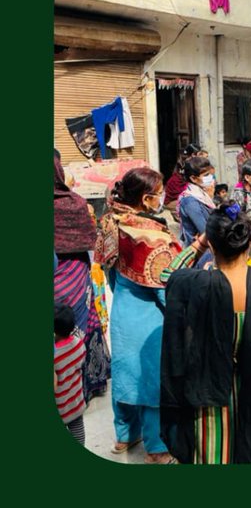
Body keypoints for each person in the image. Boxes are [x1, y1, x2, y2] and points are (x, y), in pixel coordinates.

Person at [160, 206, 251, 463]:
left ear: (211, 245)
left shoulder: (192, 287)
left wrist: (198, 245)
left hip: (207, 400)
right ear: (250, 243)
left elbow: (166, 274)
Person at [95, 166, 182, 462]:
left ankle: (124, 435)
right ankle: (156, 448)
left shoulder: (110, 220)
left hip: (122, 311)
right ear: (146, 199)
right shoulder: (150, 236)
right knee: (150, 381)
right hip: (148, 320)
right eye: (158, 194)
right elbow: (165, 289)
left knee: (125, 375)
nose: (162, 198)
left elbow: (108, 273)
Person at [53, 153, 110, 403]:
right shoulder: (74, 202)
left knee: (72, 328)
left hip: (69, 272)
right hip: (74, 271)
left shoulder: (73, 202)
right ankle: (82, 387)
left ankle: (69, 391)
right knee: (80, 326)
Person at [54, 302, 87, 445]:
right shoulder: (79, 344)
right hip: (76, 401)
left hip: (60, 407)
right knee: (78, 430)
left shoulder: (55, 354)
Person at [177, 153, 217, 246]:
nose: (211, 178)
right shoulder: (190, 201)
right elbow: (205, 230)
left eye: (211, 175)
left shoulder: (202, 194)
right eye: (206, 175)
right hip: (199, 252)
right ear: (193, 178)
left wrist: (210, 197)